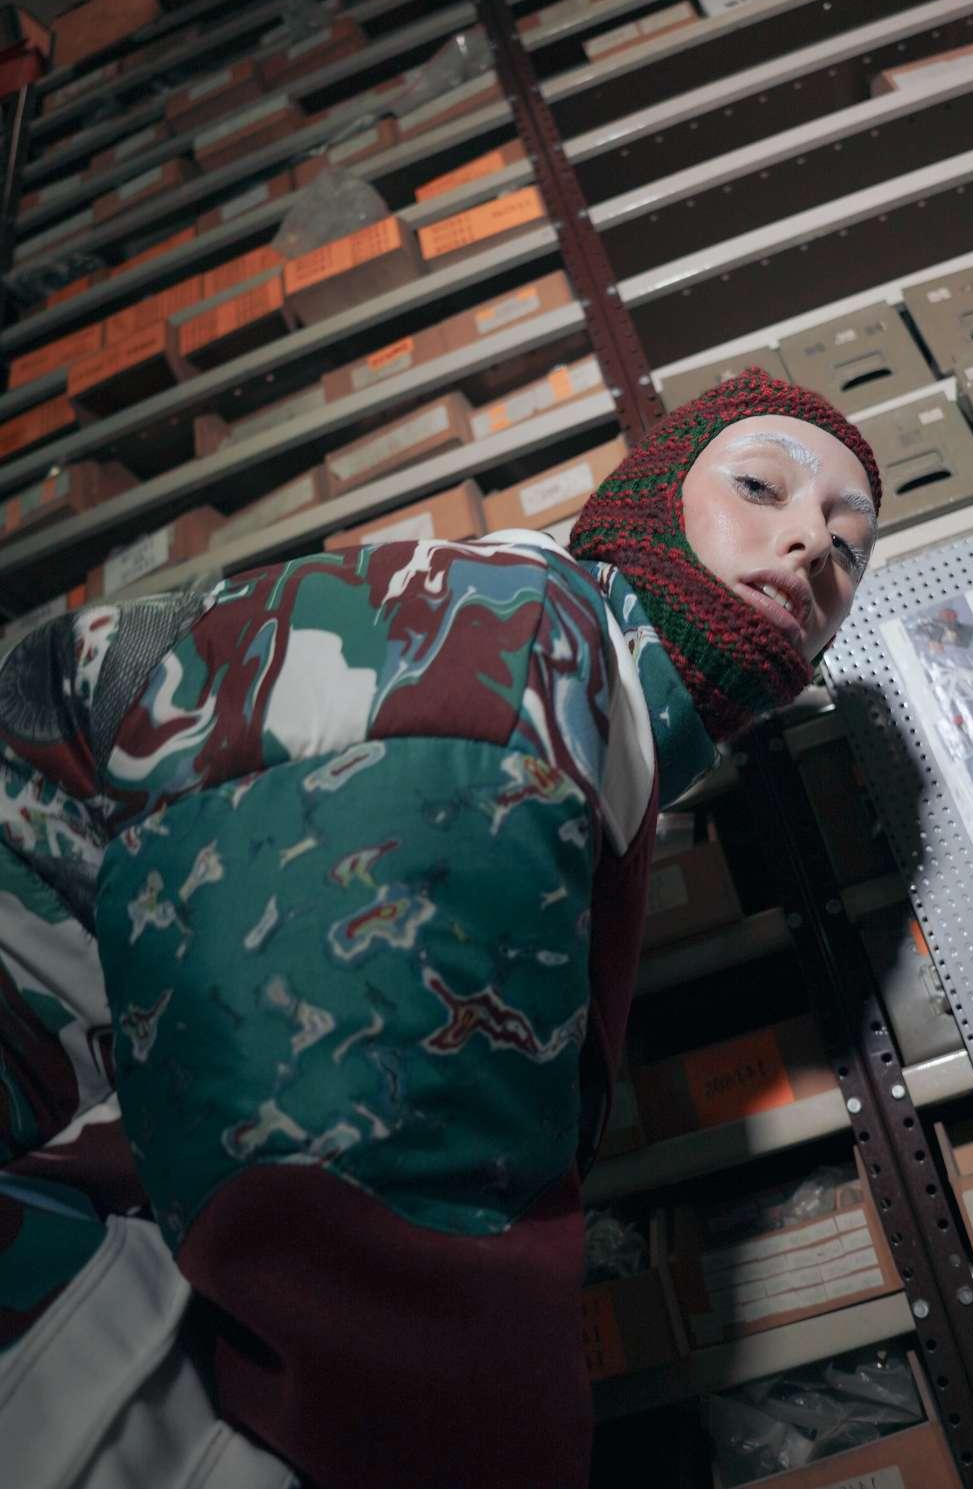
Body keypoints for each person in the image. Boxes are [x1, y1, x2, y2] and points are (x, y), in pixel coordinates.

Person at [0, 367, 879, 1488]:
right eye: (760, 486)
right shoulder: (518, 631)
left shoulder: (602, 727)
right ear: (648, 502)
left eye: (845, 549)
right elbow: (355, 1172)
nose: (807, 544)